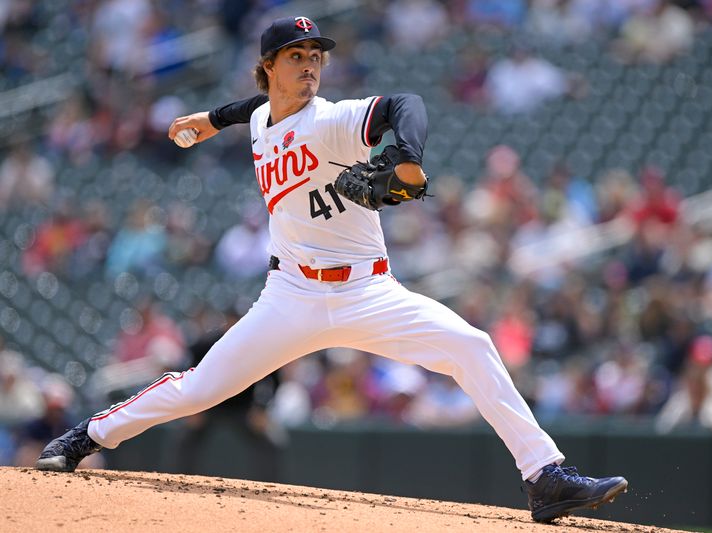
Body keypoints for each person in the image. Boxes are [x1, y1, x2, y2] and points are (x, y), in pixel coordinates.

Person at [35, 16, 627, 523]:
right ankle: (84, 437)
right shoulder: (266, 119)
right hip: (289, 296)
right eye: (297, 56)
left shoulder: (335, 119)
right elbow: (257, 111)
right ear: (269, 66)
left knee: (471, 346)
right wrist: (212, 119)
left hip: (369, 291)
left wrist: (410, 157)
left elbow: (405, 105)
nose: (311, 65)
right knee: (199, 389)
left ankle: (544, 476)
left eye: (316, 56)